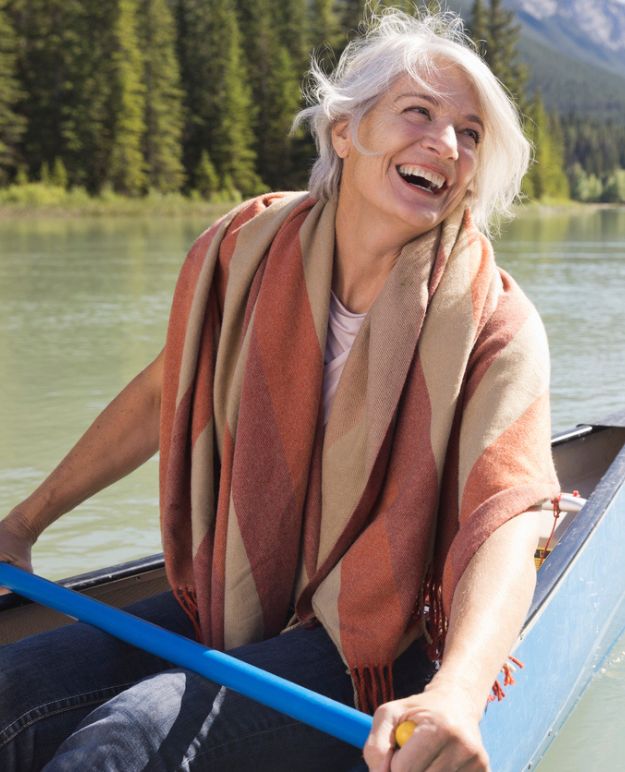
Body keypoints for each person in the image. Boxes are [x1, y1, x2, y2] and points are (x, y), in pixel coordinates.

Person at [0, 8, 559, 772]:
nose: (447, 145)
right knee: (12, 689)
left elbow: (510, 518)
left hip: (374, 640)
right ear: (343, 131)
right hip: (236, 590)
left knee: (124, 740)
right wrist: (24, 524)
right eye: (419, 113)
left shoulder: (496, 320)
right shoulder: (247, 250)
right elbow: (165, 392)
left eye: (470, 133)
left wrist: (457, 691)